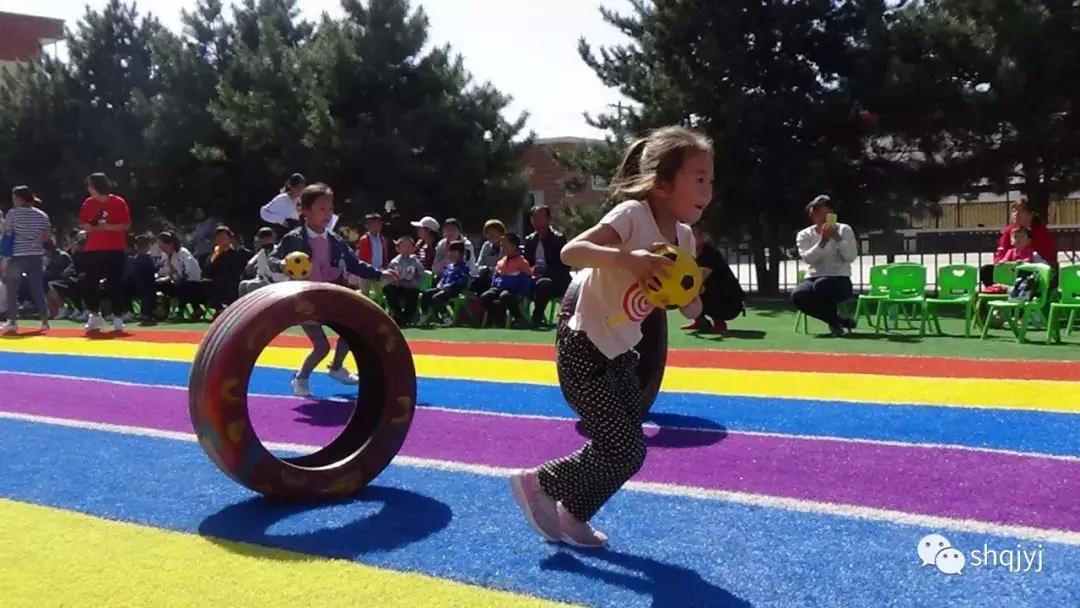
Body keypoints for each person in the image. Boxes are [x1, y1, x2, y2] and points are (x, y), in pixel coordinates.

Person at [509, 126, 711, 548]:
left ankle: (574, 515)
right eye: (698, 178)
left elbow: (683, 295)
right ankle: (538, 482)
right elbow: (572, 253)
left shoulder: (685, 238)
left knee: (621, 446)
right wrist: (627, 259)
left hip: (622, 350)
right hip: (584, 345)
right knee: (626, 447)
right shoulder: (632, 217)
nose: (707, 190)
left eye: (710, 180)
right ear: (662, 183)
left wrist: (691, 302)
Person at [269, 183, 396, 398]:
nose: (327, 214)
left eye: (330, 209)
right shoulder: (294, 238)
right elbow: (273, 259)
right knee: (321, 346)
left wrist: (379, 274)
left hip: (329, 296)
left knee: (351, 330)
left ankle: (336, 367)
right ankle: (301, 378)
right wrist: (282, 264)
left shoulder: (335, 240)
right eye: (321, 208)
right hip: (305, 299)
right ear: (304, 211)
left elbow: (355, 264)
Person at [792, 195, 857, 337]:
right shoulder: (804, 234)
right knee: (799, 295)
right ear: (812, 215)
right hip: (813, 277)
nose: (822, 218)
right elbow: (808, 258)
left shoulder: (844, 230)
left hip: (840, 278)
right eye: (818, 214)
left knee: (822, 286)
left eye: (826, 214)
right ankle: (837, 321)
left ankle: (835, 323)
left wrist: (837, 239)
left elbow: (850, 257)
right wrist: (823, 241)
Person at [78, 172, 131, 333]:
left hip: (114, 249)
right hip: (93, 249)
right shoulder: (88, 203)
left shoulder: (118, 202)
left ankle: (117, 317)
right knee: (88, 283)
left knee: (115, 284)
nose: (88, 189)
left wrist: (107, 227)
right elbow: (82, 222)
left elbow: (126, 225)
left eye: (91, 186)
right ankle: (94, 314)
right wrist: (89, 227)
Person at [2, 186, 52, 334]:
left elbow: (8, 232)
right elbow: (46, 236)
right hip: (36, 255)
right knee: (37, 287)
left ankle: (12, 321)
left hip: (18, 255)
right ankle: (44, 321)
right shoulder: (42, 215)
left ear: (18, 198)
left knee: (12, 289)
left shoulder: (13, 213)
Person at [982, 197, 1057, 287]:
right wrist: (1001, 262)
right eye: (1014, 211)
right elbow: (1000, 253)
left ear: (1031, 214)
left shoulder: (1041, 233)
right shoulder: (1008, 231)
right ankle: (995, 292)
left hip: (1035, 271)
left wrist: (1028, 262)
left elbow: (1048, 260)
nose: (1016, 214)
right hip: (1010, 269)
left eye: (1021, 211)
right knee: (986, 270)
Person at [683, 223, 744, 333]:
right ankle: (700, 321)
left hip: (730, 303)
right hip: (713, 297)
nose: (688, 239)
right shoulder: (688, 255)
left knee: (697, 285)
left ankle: (719, 321)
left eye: (692, 235)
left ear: (703, 237)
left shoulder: (711, 254)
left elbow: (698, 280)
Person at [525, 205, 572, 327]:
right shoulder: (530, 240)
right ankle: (518, 317)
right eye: (534, 218)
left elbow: (564, 265)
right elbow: (526, 262)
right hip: (534, 279)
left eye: (541, 218)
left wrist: (545, 271)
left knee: (544, 283)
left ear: (548, 220)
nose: (537, 222)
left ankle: (537, 317)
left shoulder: (558, 239)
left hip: (556, 281)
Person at [480, 233, 532, 328]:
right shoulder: (501, 262)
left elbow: (526, 280)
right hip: (499, 289)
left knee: (504, 296)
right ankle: (496, 319)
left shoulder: (522, 263)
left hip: (514, 292)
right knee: (485, 297)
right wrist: (493, 287)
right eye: (501, 245)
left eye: (505, 245)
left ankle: (519, 318)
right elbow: (495, 278)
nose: (502, 247)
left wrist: (522, 293)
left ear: (514, 246)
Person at [419, 240, 470, 327]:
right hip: (443, 288)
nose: (452, 254)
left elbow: (463, 281)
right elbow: (443, 278)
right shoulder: (449, 266)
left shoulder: (464, 267)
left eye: (454, 252)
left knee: (437, 298)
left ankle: (446, 318)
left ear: (460, 254)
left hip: (454, 289)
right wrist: (440, 285)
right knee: (426, 294)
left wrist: (450, 285)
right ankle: (424, 314)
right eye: (451, 252)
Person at [156, 231, 201, 320]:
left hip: (192, 282)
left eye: (162, 246)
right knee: (161, 284)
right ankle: (162, 311)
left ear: (171, 244)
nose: (161, 249)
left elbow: (187, 272)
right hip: (177, 281)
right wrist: (157, 277)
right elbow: (163, 271)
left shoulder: (183, 253)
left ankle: (180, 312)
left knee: (183, 285)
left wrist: (177, 279)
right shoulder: (165, 255)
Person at [382, 236, 426, 326]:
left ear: (413, 248)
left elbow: (421, 276)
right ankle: (398, 314)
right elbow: (389, 275)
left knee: (413, 295)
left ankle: (407, 317)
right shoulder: (394, 262)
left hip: (410, 287)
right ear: (398, 248)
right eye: (403, 246)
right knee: (388, 290)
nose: (406, 249)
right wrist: (393, 281)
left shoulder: (416, 262)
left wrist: (413, 284)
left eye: (409, 246)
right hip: (398, 287)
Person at [239, 227, 284, 296]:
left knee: (252, 285)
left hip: (278, 282)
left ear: (273, 238)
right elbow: (260, 273)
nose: (265, 239)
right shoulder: (261, 254)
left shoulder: (280, 251)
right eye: (262, 237)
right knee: (243, 284)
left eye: (267, 236)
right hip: (265, 281)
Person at [125, 234, 158, 325]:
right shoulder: (147, 258)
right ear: (147, 246)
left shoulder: (135, 258)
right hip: (148, 283)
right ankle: (147, 314)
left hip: (136, 284)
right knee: (149, 297)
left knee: (145, 298)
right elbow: (153, 270)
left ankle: (144, 313)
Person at [260, 173, 306, 239]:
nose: (301, 191)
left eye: (303, 188)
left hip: (295, 234)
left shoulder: (299, 201)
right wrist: (280, 220)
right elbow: (264, 212)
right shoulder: (281, 199)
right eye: (298, 188)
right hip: (282, 234)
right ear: (291, 187)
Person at [357, 212, 392, 300]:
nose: (376, 228)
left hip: (379, 270)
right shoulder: (364, 240)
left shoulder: (383, 239)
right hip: (366, 270)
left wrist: (385, 266)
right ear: (367, 226)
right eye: (373, 225)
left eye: (378, 225)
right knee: (365, 293)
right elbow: (361, 256)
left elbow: (385, 254)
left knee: (379, 293)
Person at [472, 219, 506, 294]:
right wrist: (483, 269)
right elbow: (479, 264)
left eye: (494, 232)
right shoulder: (486, 246)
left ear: (501, 233)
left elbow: (505, 266)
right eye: (488, 233)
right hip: (486, 276)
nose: (491, 235)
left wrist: (491, 269)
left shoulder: (507, 246)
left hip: (501, 278)